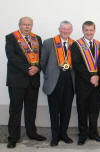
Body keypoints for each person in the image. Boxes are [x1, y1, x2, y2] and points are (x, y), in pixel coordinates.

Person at [5, 16, 46, 148]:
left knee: (31, 109)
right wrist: (27, 69)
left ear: (32, 26)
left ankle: (32, 132)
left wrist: (37, 68)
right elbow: (11, 57)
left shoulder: (37, 39)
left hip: (33, 80)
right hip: (17, 81)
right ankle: (13, 137)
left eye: (29, 25)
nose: (27, 27)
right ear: (19, 25)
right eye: (24, 24)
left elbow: (41, 58)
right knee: (15, 109)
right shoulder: (11, 38)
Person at [40, 20, 75, 146]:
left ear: (71, 31)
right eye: (63, 29)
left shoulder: (74, 44)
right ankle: (55, 136)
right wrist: (50, 74)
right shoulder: (49, 42)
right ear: (59, 29)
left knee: (66, 109)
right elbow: (42, 62)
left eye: (68, 29)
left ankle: (64, 134)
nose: (65, 31)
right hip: (54, 82)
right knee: (54, 110)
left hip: (69, 81)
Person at [71, 21, 100, 145]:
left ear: (94, 30)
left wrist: (97, 77)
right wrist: (91, 77)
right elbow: (77, 65)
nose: (89, 32)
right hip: (83, 84)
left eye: (91, 30)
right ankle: (83, 134)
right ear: (83, 30)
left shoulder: (99, 45)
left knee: (94, 110)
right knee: (82, 110)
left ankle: (94, 133)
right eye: (86, 30)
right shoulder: (76, 45)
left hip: (97, 85)